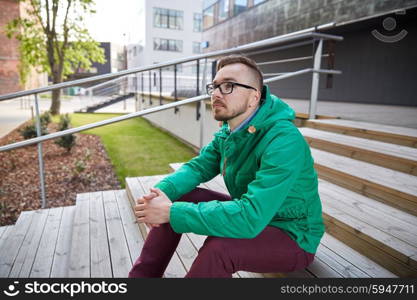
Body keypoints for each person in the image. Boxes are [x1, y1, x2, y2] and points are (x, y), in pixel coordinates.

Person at [128, 55, 324, 278]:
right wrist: (160, 194)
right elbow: (198, 167)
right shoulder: (230, 132)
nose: (216, 93)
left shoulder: (284, 140)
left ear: (254, 97)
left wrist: (171, 213)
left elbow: (251, 216)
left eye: (228, 86)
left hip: (292, 235)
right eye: (215, 86)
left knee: (219, 249)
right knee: (177, 196)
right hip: (256, 213)